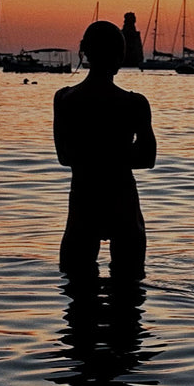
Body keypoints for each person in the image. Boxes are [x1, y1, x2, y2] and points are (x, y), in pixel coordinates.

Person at [54, 20, 157, 281]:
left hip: (83, 200)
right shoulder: (134, 103)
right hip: (122, 199)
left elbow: (64, 157)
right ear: (120, 56)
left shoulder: (64, 99)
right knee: (129, 291)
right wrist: (117, 155)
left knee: (77, 293)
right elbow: (147, 158)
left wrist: (91, 155)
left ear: (84, 51)